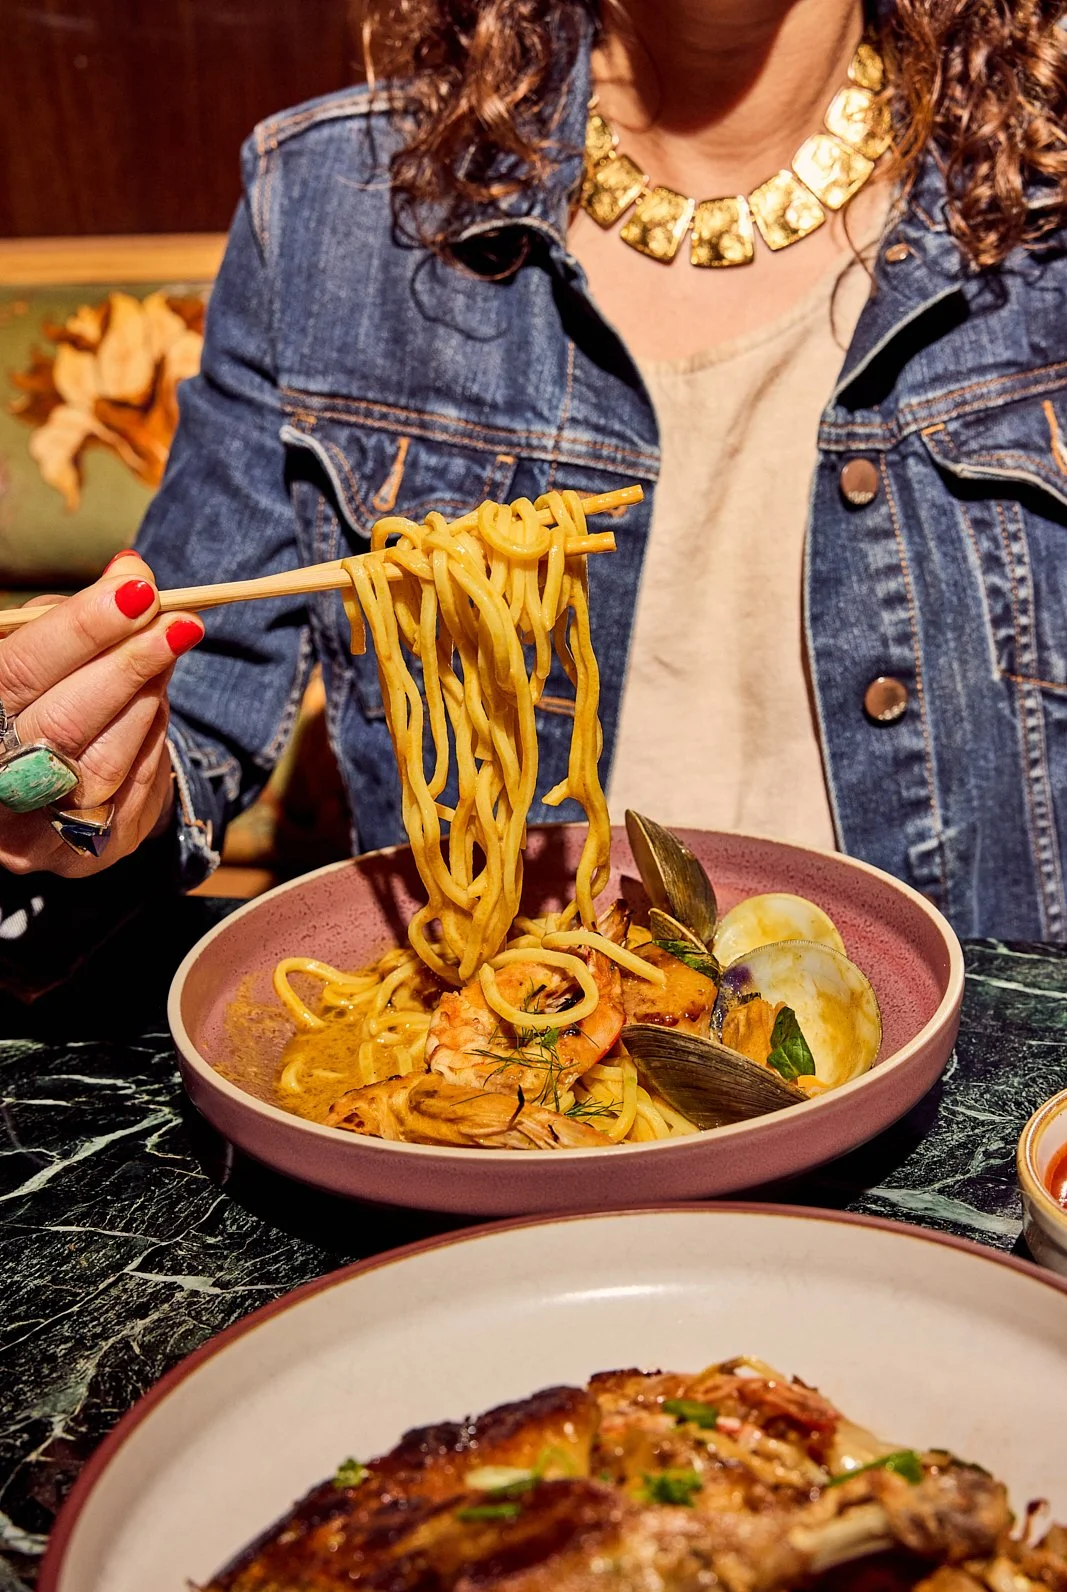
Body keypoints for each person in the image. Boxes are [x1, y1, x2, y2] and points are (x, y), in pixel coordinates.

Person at [1, 0, 1066, 950]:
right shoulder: (332, 205)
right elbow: (182, 730)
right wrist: (77, 784)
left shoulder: (1046, 199)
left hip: (974, 1122)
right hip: (499, 1096)